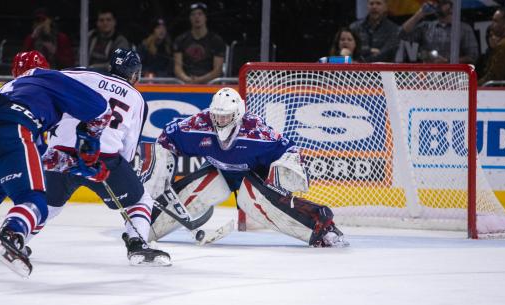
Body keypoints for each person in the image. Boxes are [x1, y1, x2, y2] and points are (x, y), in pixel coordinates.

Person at [0, 50, 111, 278]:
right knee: (35, 201)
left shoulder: (11, 90)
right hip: (12, 129)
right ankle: (10, 236)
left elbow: (39, 157)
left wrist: (76, 165)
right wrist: (89, 147)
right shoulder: (47, 78)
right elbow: (101, 109)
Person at [141, 87, 349, 248]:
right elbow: (165, 139)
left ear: (238, 114)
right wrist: (160, 173)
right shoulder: (199, 123)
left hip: (252, 176)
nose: (220, 121)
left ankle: (322, 229)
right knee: (197, 191)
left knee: (257, 203)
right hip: (218, 173)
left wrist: (282, 178)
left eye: (226, 116)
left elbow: (289, 150)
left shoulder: (255, 131)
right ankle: (142, 227)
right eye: (217, 116)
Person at [25, 48, 171, 266]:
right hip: (101, 160)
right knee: (139, 200)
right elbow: (128, 150)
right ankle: (137, 245)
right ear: (134, 74)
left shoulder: (82, 74)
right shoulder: (137, 99)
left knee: (48, 204)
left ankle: (14, 237)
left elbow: (45, 77)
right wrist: (124, 172)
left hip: (59, 155)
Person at [399, 0, 479, 64]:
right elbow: (402, 34)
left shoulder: (464, 29)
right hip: (429, 76)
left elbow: (473, 57)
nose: (437, 5)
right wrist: (420, 13)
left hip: (453, 77)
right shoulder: (426, 27)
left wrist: (447, 61)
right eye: (436, 2)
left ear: (451, 7)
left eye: (441, 2)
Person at [173, 2, 225, 84]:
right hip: (186, 83)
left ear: (205, 17)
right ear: (190, 18)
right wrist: (187, 80)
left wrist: (200, 80)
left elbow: (217, 70)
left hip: (210, 84)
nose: (196, 17)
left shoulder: (216, 40)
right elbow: (177, 67)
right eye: (193, 14)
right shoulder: (180, 40)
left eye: (200, 14)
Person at [478, 7, 505, 86]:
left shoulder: (503, 46)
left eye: (495, 21)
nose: (492, 24)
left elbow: (494, 76)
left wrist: (474, 85)